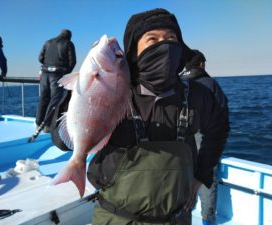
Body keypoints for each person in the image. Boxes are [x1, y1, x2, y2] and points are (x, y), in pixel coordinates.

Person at [51, 8, 229, 225]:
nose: (163, 45)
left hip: (177, 218)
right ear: (134, 51)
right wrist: (81, 89)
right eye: (152, 39)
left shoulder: (198, 94)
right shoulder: (119, 89)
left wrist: (202, 174)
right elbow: (60, 141)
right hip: (116, 217)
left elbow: (218, 130)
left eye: (171, 38)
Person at [184, 50, 229, 225]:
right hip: (203, 136)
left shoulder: (179, 83)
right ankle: (207, 220)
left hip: (181, 138)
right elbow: (221, 115)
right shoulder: (210, 84)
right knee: (206, 177)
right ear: (201, 64)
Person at [36, 29, 76, 132]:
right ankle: (47, 125)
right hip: (58, 74)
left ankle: (38, 123)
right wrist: (66, 74)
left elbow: (40, 58)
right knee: (55, 100)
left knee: (43, 98)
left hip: (44, 74)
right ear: (69, 36)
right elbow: (73, 62)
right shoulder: (68, 43)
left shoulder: (48, 42)